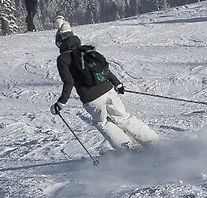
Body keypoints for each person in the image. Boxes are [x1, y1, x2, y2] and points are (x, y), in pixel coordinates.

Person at [51, 20, 160, 153]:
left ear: (60, 42)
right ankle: (153, 141)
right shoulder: (85, 50)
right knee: (124, 117)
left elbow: (69, 82)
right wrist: (117, 84)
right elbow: (104, 69)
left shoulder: (62, 59)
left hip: (91, 97)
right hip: (108, 90)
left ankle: (127, 149)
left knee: (103, 123)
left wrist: (61, 103)